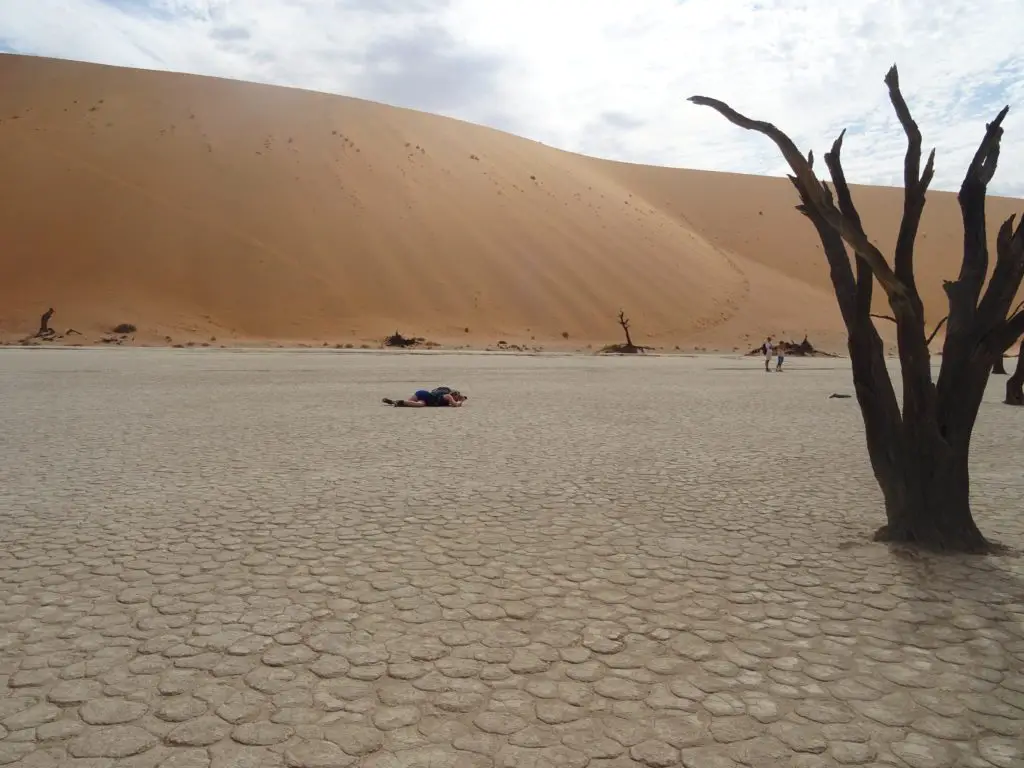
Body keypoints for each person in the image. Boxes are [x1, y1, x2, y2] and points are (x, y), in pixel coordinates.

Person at [383, 386, 467, 408]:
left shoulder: (445, 397)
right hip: (425, 396)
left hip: (424, 396)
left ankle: (395, 402)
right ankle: (397, 402)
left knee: (411, 403)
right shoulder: (448, 396)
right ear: (454, 395)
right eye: (457, 397)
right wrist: (462, 401)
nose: (457, 398)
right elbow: (455, 405)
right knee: (419, 404)